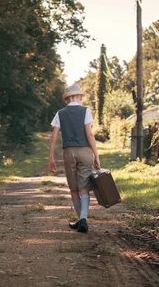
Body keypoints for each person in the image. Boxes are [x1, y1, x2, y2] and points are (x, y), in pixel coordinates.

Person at [48, 84, 100, 233]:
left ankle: (81, 220)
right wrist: (96, 155)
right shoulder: (85, 111)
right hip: (85, 151)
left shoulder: (60, 113)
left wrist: (50, 157)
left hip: (69, 152)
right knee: (84, 187)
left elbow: (54, 137)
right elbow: (89, 134)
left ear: (67, 99)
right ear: (80, 97)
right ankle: (83, 218)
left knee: (74, 188)